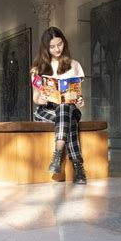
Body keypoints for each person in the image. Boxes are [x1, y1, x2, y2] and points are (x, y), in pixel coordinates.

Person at [30, 26, 87, 184]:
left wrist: (80, 100)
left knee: (65, 108)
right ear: (46, 48)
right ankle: (78, 169)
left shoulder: (74, 65)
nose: (57, 49)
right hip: (46, 110)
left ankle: (57, 154)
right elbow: (35, 97)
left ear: (64, 43)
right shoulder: (37, 69)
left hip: (69, 107)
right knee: (68, 119)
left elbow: (78, 94)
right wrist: (39, 99)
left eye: (60, 44)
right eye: (52, 46)